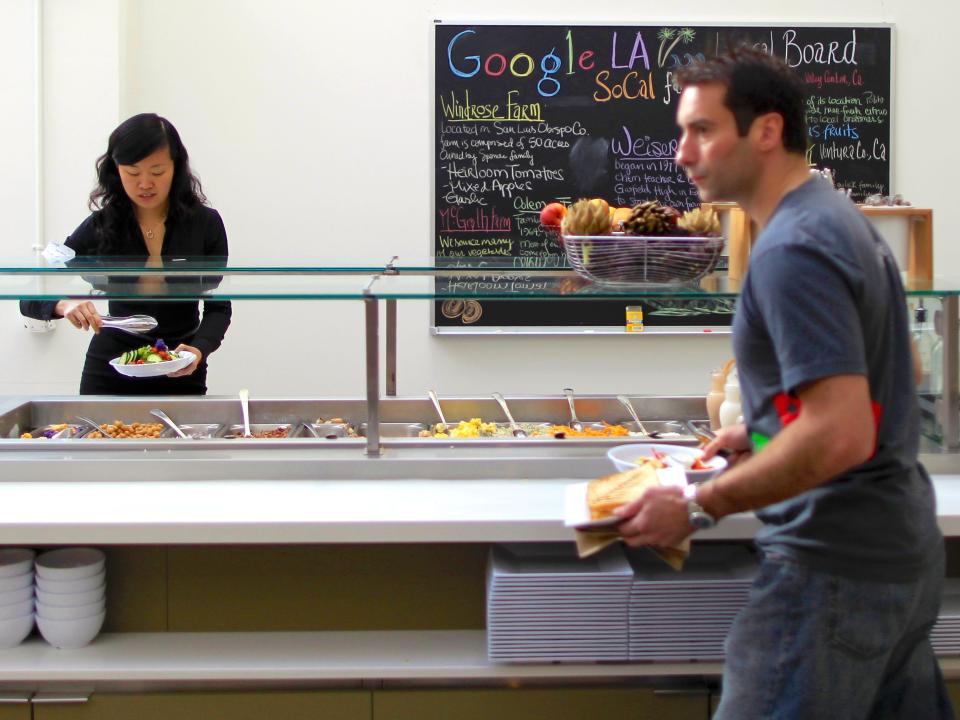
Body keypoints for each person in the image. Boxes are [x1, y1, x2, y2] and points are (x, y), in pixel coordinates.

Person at [611, 48, 952, 718]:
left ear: (766, 131)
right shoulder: (841, 218)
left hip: (832, 572)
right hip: (900, 558)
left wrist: (699, 506)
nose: (683, 153)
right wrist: (765, 428)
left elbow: (842, 431)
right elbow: (898, 373)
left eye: (703, 130)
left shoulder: (791, 247)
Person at [21, 113, 231, 395]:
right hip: (111, 366)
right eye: (132, 172)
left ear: (176, 168)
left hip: (180, 364)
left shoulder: (206, 224)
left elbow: (219, 305)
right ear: (116, 171)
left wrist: (199, 349)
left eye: (157, 172)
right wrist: (63, 304)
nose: (145, 183)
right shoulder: (99, 226)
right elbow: (29, 295)